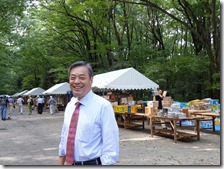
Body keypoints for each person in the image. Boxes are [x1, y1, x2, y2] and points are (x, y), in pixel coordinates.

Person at [58, 61, 119, 165]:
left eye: (82, 77)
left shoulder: (103, 106)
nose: (76, 81)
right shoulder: (70, 106)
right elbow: (65, 138)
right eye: (72, 78)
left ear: (91, 80)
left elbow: (111, 148)